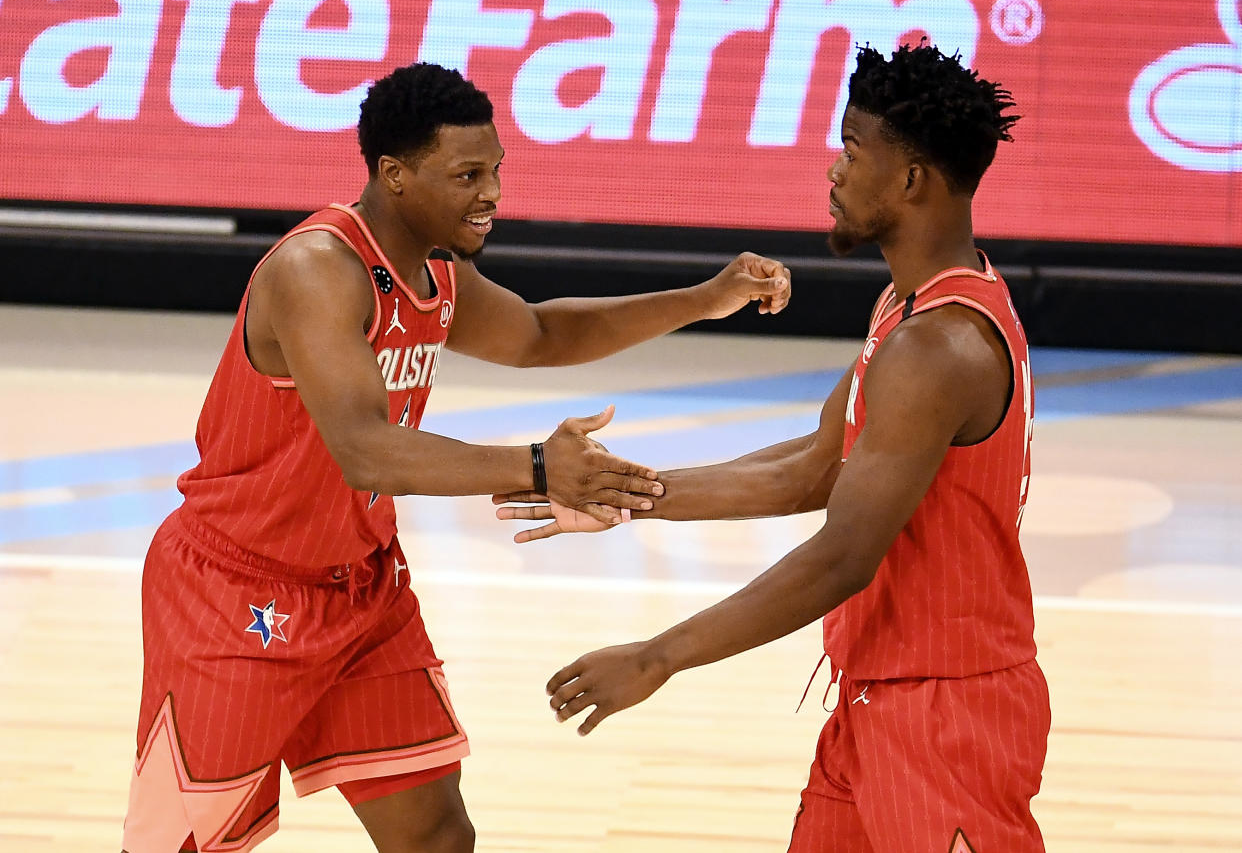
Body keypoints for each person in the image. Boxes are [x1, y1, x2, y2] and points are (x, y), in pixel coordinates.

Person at [120, 62, 791, 853]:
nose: (492, 193)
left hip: (362, 590)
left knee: (437, 834)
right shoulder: (318, 271)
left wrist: (703, 299)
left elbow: (543, 335)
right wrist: (537, 467)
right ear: (394, 176)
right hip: (237, 593)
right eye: (468, 174)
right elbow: (366, 450)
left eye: (497, 171)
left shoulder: (436, 271)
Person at [499, 44, 1046, 852]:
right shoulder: (910, 305)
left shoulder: (939, 349)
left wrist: (657, 658)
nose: (833, 170)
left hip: (946, 717)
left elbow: (841, 559)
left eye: (853, 148)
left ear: (912, 180)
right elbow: (818, 467)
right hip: (878, 700)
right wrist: (626, 493)